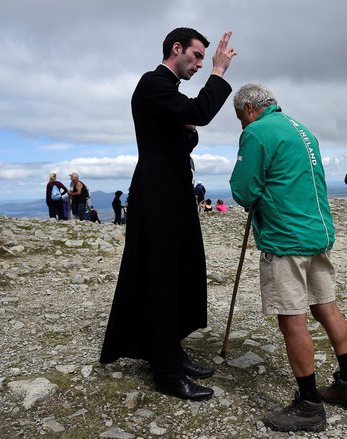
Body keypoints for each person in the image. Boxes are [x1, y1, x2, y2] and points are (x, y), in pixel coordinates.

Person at [99, 28, 237, 402]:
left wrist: (186, 130)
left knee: (180, 270)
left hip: (173, 193)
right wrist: (219, 72)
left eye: (204, 60)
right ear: (176, 49)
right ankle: (166, 373)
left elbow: (183, 129)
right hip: (158, 195)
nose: (199, 64)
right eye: (195, 56)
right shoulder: (153, 83)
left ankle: (169, 350)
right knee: (161, 275)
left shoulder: (168, 90)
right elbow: (199, 113)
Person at [230, 83, 347, 433]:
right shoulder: (303, 130)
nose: (242, 125)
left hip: (285, 237)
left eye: (240, 118)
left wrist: (256, 196)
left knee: (292, 318)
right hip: (318, 233)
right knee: (326, 306)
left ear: (248, 108)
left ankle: (308, 405)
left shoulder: (257, 132)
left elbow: (244, 190)